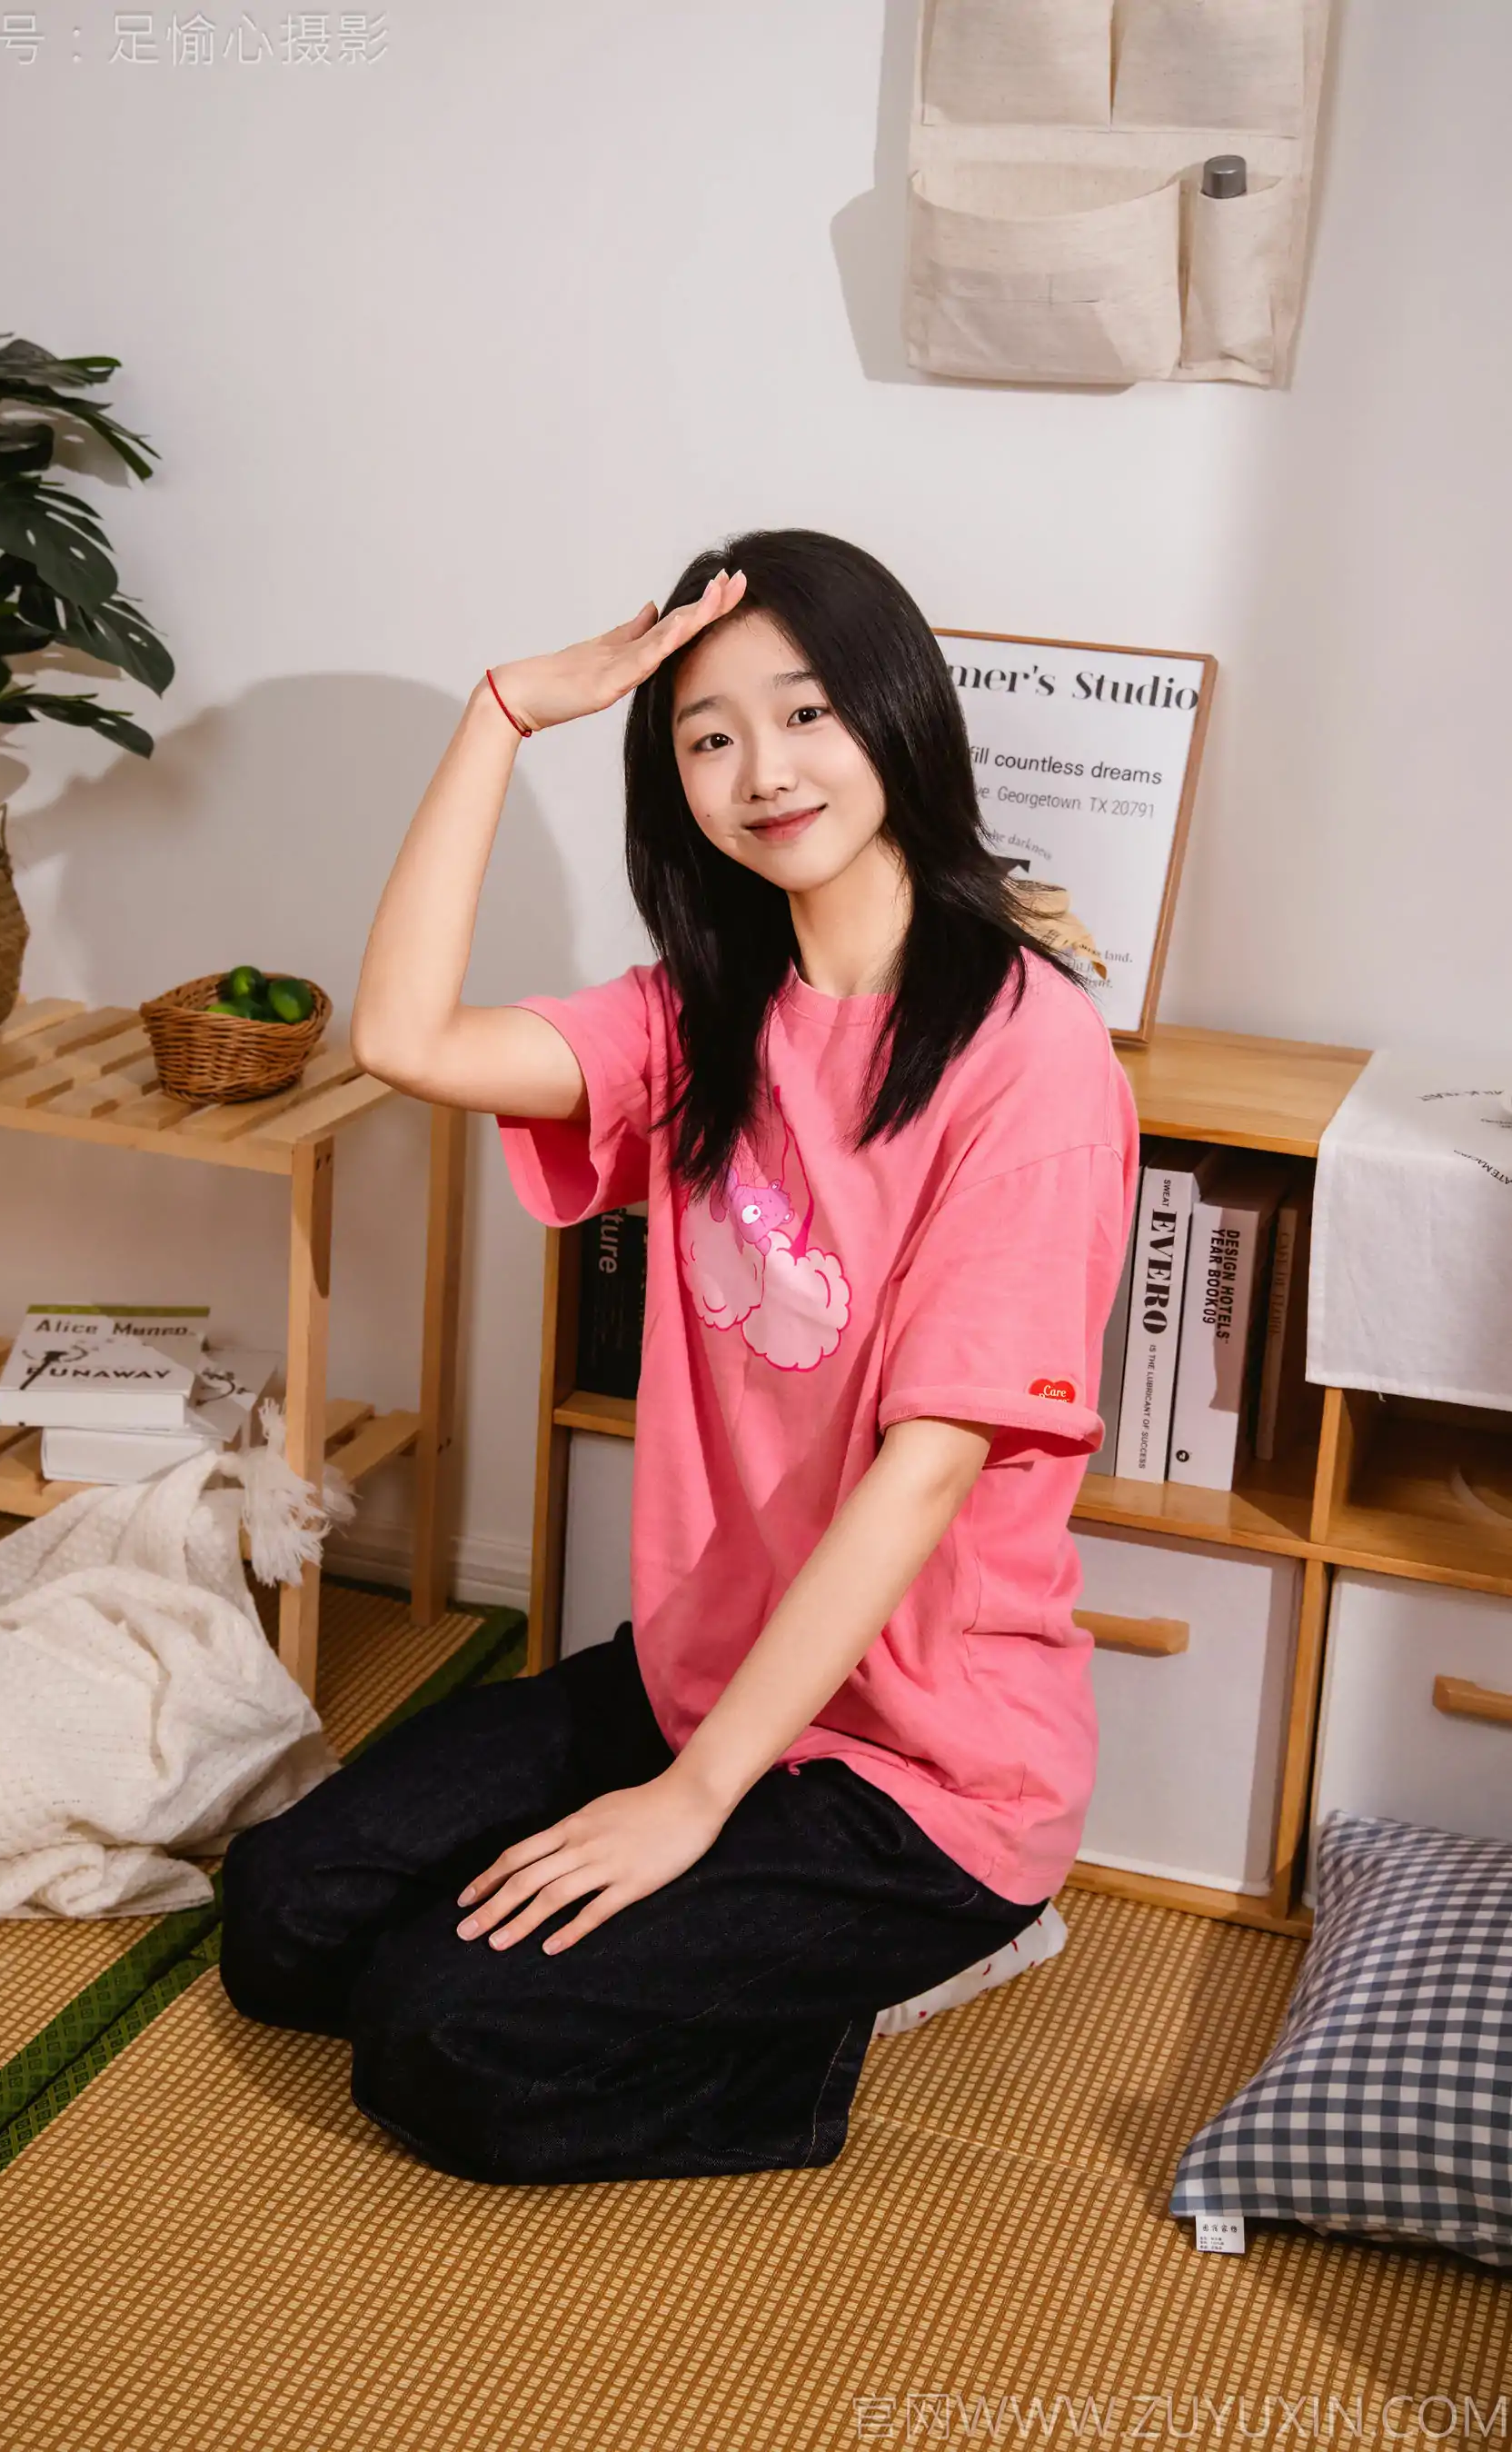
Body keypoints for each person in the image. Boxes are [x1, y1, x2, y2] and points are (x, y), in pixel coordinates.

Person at [218, 527, 1139, 2188]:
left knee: (440, 2041)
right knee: (283, 1919)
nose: (764, 770)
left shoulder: (1033, 1060)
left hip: (920, 1765)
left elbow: (926, 1473)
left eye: (806, 713)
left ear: (897, 712)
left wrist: (696, 1801)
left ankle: (900, 1976)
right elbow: (405, 1038)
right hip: (694, 1675)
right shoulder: (701, 1011)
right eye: (711, 736)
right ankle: (680, 1916)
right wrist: (501, 713)